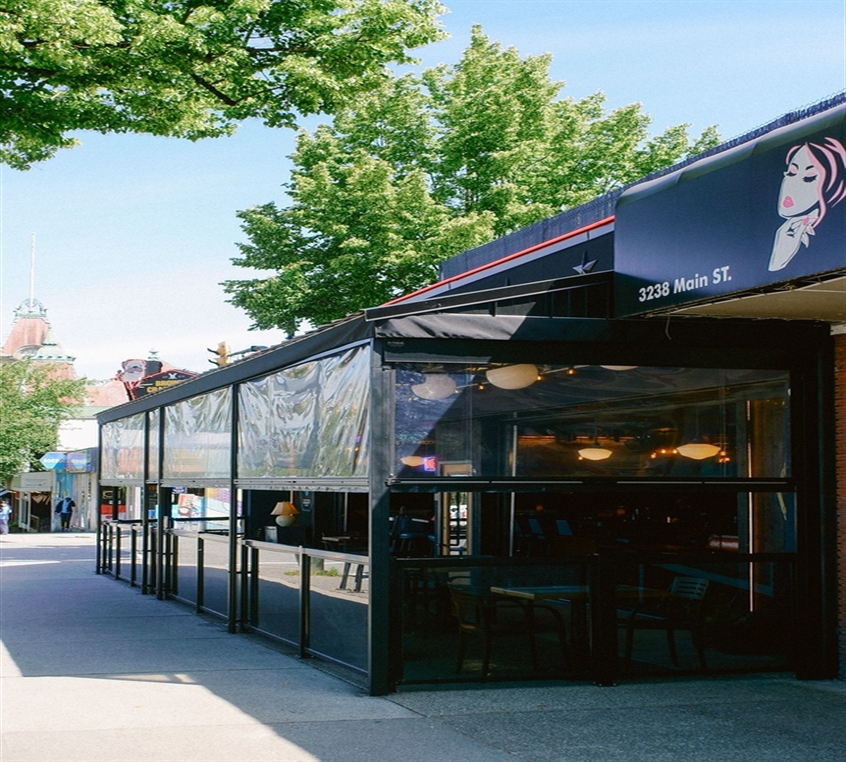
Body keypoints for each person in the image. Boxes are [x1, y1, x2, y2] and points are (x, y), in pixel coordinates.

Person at [769, 136, 846, 271]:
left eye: (809, 177)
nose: (792, 185)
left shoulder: (831, 244)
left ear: (832, 187)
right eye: (791, 173)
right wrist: (778, 260)